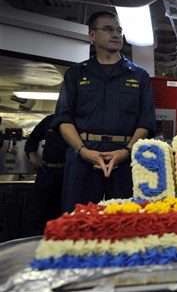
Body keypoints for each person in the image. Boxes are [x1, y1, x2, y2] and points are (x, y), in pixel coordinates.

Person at [52, 11, 156, 213]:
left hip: (125, 158)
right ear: (92, 35)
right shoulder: (76, 74)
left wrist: (125, 152)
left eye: (118, 30)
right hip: (84, 156)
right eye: (108, 29)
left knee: (126, 223)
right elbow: (64, 119)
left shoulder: (139, 76)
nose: (115, 34)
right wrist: (83, 151)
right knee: (79, 222)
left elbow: (146, 121)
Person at [24, 114, 69, 235]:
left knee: (65, 212)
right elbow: (32, 139)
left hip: (69, 174)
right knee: (39, 211)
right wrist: (33, 156)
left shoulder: (79, 121)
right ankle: (36, 243)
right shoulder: (49, 120)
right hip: (46, 172)